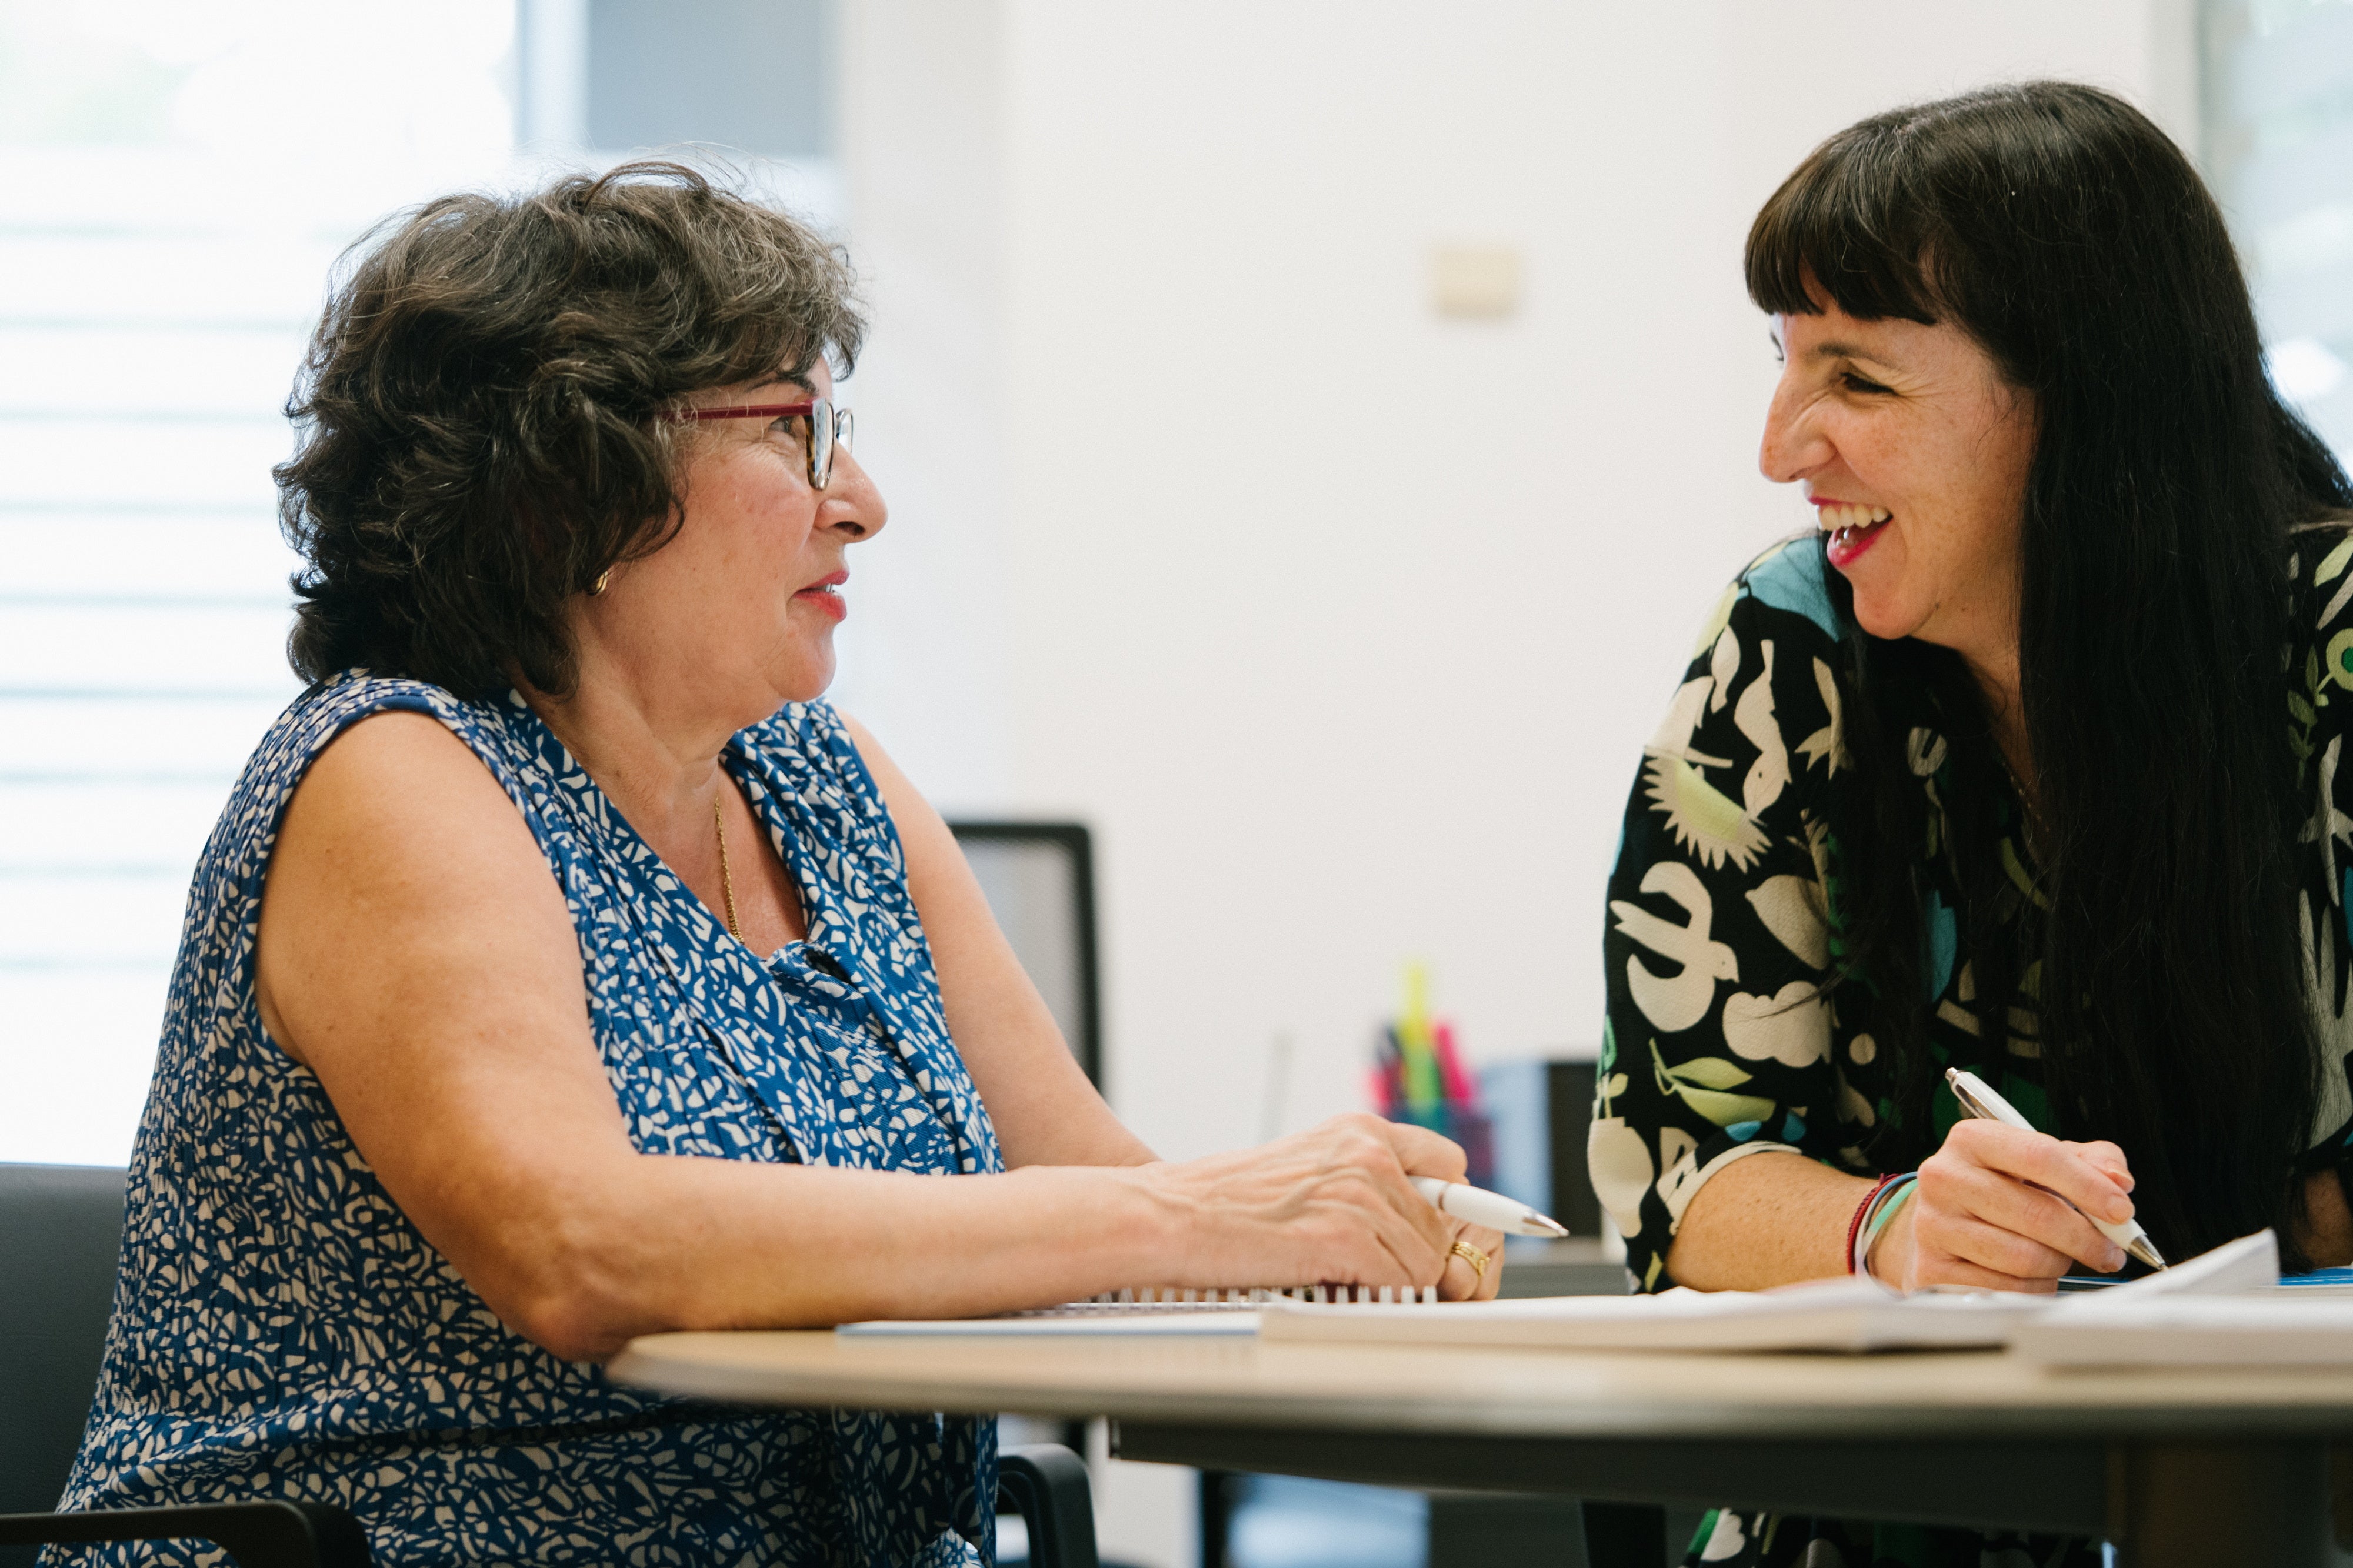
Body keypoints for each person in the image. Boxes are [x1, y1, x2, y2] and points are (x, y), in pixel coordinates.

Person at [52, 162, 1503, 1568]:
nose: (859, 498)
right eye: (794, 432)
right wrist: (1198, 1216)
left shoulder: (824, 778)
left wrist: (1343, 1228)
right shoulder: (395, 771)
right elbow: (579, 1247)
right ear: (567, 486)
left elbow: (1095, 1193)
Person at [1597, 82, 2353, 1568]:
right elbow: (1681, 1171)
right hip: (1896, 1502)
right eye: (1782, 362)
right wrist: (1886, 1229)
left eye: (1857, 379)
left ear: (2082, 396)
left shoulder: (2331, 643)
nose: (1780, 447)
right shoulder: (1788, 645)